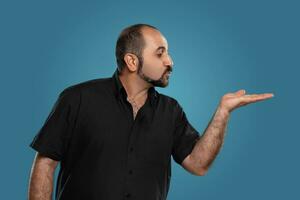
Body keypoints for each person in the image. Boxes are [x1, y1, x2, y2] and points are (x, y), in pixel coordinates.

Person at [28, 24, 274, 200]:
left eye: (167, 52)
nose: (170, 61)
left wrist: (223, 112)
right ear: (132, 61)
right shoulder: (77, 98)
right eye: (160, 53)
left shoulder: (171, 110)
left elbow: (198, 165)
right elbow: (46, 163)